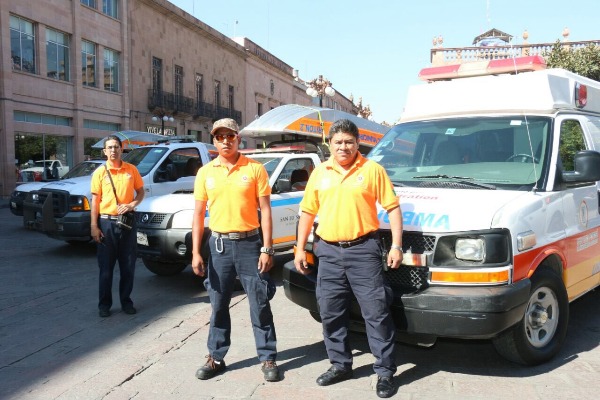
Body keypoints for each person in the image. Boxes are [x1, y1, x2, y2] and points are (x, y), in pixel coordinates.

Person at [293, 119, 403, 398]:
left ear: (357, 143)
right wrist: (299, 248)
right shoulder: (320, 172)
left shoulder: (372, 170)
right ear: (330, 144)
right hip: (328, 252)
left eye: (349, 142)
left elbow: (392, 208)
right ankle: (340, 364)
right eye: (338, 142)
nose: (344, 147)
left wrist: (396, 246)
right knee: (330, 311)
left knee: (376, 313)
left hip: (364, 250)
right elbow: (307, 212)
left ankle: (385, 372)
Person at [191, 118, 280, 382]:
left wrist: (267, 248)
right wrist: (196, 252)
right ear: (214, 141)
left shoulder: (255, 169)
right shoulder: (205, 173)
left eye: (230, 136)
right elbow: (198, 215)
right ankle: (216, 357)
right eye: (220, 137)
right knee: (218, 303)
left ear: (238, 139)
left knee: (259, 302)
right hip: (219, 246)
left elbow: (265, 210)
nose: (225, 141)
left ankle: (267, 356)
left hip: (250, 245)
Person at [90, 135, 145, 318]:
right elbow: (95, 201)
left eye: (116, 147)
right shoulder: (100, 172)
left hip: (127, 223)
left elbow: (141, 192)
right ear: (104, 151)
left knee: (128, 266)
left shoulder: (131, 170)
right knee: (106, 268)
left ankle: (126, 302)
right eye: (110, 147)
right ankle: (104, 305)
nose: (113, 150)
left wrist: (131, 205)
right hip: (106, 223)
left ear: (122, 149)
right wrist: (94, 226)